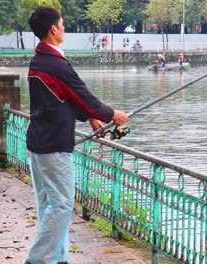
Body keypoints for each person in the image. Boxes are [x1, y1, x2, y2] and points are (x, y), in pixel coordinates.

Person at [25, 6, 129, 264]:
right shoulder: (56, 63)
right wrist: (111, 114)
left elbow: (61, 98)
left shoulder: (40, 59)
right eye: (62, 25)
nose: (64, 29)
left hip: (38, 141)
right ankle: (37, 260)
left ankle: (59, 258)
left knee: (49, 204)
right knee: (61, 205)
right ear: (53, 29)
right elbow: (82, 95)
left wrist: (90, 116)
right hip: (53, 145)